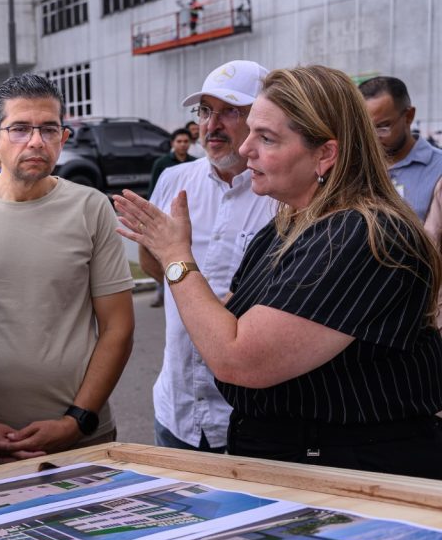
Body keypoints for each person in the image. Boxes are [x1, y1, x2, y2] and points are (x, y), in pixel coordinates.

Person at [115, 65, 442, 479]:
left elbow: (237, 358)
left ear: (325, 154)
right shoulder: (294, 222)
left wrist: (176, 257)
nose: (247, 148)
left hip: (348, 475)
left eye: (266, 138)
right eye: (250, 130)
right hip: (303, 463)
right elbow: (233, 317)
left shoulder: (358, 234)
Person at [0, 74, 134, 465]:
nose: (36, 141)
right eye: (20, 129)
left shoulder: (91, 209)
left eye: (48, 129)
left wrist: (77, 420)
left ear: (64, 137)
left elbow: (118, 328)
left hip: (83, 438)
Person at [142, 60, 276, 453]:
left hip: (246, 416)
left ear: (262, 118)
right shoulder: (174, 180)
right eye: (204, 111)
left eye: (230, 112)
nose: (211, 125)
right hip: (176, 410)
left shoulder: (279, 195)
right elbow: (152, 259)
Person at [359, 76, 442, 222]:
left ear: (409, 116)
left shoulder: (437, 169)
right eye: (365, 129)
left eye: (382, 127)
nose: (372, 137)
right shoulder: (355, 166)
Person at [146, 128, 196, 308]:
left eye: (185, 141)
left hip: (185, 212)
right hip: (165, 212)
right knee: (162, 257)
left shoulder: (195, 163)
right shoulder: (162, 163)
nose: (182, 144)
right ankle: (161, 292)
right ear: (172, 143)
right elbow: (155, 190)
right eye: (179, 141)